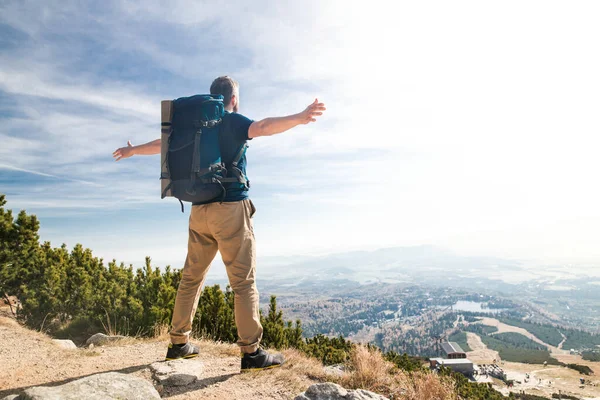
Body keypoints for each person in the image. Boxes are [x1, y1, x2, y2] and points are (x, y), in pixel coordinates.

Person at [113, 76, 326, 371]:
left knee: (191, 279)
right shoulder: (232, 121)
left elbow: (165, 143)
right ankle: (251, 352)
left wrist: (133, 149)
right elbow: (262, 127)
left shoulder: (196, 127)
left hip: (199, 211)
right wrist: (300, 117)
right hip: (230, 210)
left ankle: (179, 344)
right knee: (243, 282)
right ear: (233, 98)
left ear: (212, 97)